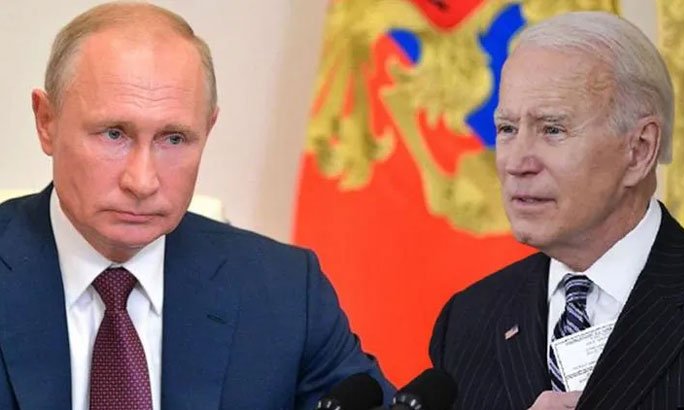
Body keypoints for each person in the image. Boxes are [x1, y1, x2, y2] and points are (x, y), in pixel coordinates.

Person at [0, 2, 392, 409]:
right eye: (114, 133)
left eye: (174, 139)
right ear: (46, 121)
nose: (142, 181)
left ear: (208, 128)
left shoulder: (286, 291)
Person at [429, 10, 684, 410]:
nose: (516, 162)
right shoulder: (469, 321)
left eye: (552, 129)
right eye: (507, 129)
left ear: (639, 150)